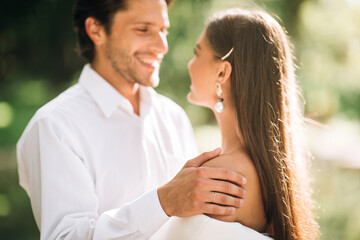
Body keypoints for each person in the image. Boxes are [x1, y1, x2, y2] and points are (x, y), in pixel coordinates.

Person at [16, 0, 248, 239]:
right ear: (96, 29)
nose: (162, 46)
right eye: (143, 29)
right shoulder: (55, 126)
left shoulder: (173, 117)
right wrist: (163, 202)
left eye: (163, 30)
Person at [151, 8, 319, 240]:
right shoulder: (269, 172)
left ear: (222, 72)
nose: (190, 64)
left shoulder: (219, 176)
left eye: (197, 53)